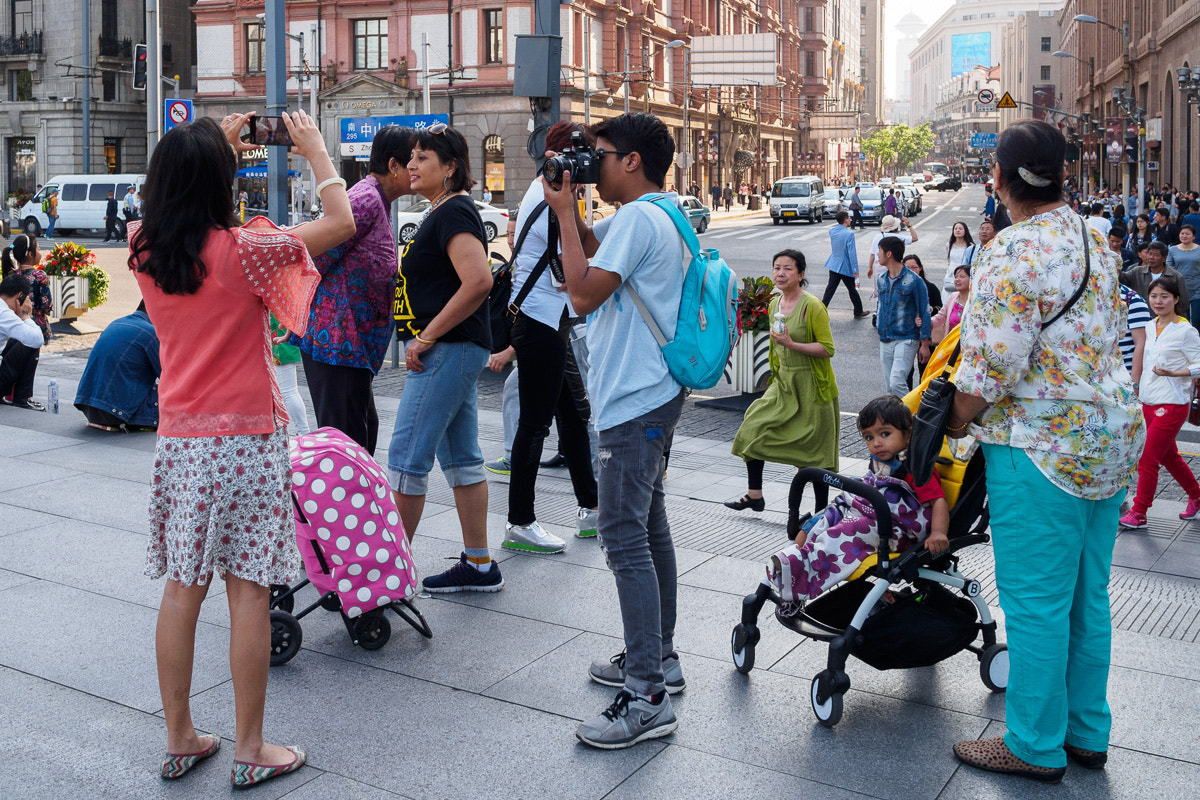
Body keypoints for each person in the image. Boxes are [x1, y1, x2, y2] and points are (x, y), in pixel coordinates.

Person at [129, 109, 355, 787]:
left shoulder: (143, 245)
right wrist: (317, 153)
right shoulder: (246, 250)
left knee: (181, 589)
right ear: (221, 183)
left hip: (180, 440)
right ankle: (253, 747)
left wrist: (207, 146)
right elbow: (341, 225)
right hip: (247, 439)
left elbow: (181, 187)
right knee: (249, 592)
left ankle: (179, 738)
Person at [947, 119, 1143, 783]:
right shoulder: (1096, 240)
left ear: (998, 178)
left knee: (1034, 603)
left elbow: (987, 372)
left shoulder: (1009, 251)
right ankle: (1087, 732)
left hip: (1040, 445)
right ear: (1063, 172)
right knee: (1088, 598)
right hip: (1110, 439)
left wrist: (948, 423)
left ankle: (1032, 744)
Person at [543, 112, 687, 749]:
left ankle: (648, 696)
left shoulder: (637, 218)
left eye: (598, 155)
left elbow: (579, 293)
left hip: (633, 399)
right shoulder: (668, 213)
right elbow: (593, 259)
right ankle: (659, 658)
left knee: (622, 536)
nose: (590, 165)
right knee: (649, 526)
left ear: (632, 160)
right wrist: (568, 207)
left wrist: (568, 212)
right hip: (656, 392)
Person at [388, 123, 495, 589]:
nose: (412, 165)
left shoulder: (453, 213)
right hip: (458, 350)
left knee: (408, 457)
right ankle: (478, 564)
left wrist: (426, 337)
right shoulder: (445, 210)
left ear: (450, 167)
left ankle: (383, 576)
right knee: (462, 460)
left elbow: (479, 281)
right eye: (411, 157)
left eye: (423, 158)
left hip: (448, 350)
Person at [503, 120, 599, 553]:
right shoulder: (549, 195)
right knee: (535, 424)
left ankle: (592, 509)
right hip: (540, 321)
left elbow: (585, 243)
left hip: (551, 319)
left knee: (574, 418)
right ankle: (520, 521)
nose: (586, 167)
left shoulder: (560, 193)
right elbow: (578, 261)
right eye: (581, 158)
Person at [766, 396, 949, 616]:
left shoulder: (915, 467)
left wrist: (938, 532)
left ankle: (803, 574)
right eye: (869, 437)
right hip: (873, 511)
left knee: (849, 529)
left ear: (908, 435)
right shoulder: (881, 459)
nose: (876, 443)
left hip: (895, 529)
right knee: (825, 516)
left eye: (885, 434)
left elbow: (938, 500)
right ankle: (798, 557)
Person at [294, 125, 415, 455]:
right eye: (413, 160)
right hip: (334, 343)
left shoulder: (377, 200)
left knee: (360, 435)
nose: (417, 168)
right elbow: (311, 257)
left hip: (350, 347)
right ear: (394, 166)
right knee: (345, 448)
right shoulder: (364, 201)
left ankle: (351, 505)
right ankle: (341, 506)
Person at [725, 249, 839, 512]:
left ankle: (821, 512)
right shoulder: (774, 303)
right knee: (752, 428)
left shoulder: (812, 306)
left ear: (801, 274)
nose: (780, 273)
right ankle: (755, 494)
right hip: (783, 384)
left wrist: (792, 343)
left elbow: (827, 348)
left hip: (813, 386)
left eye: (788, 268)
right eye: (777, 267)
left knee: (816, 454)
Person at [1119, 276, 1200, 529]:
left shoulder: (1186, 330)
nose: (1158, 301)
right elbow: (1142, 358)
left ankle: (1140, 512)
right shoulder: (1150, 326)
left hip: (1173, 403)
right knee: (1169, 457)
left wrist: (1177, 373)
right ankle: (1197, 496)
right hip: (1148, 399)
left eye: (1165, 296)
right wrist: (1135, 386)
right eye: (1154, 296)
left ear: (1176, 299)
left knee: (1147, 459)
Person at [73, 301, 160, 431]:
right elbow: (172, 377)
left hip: (89, 407)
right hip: (114, 412)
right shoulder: (150, 332)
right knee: (181, 400)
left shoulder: (116, 323)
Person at [875, 236, 930, 398]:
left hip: (906, 338)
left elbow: (924, 311)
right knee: (890, 388)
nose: (877, 254)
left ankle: (913, 416)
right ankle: (899, 420)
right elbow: (881, 306)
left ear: (889, 254)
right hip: (885, 338)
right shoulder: (881, 279)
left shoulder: (914, 281)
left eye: (879, 250)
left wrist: (925, 343)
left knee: (897, 382)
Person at [0, 272, 45, 410]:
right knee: (31, 342)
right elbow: (37, 340)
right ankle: (21, 398)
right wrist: (26, 317)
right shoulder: (4, 313)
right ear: (20, 296)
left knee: (17, 339)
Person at [1, 233, 51, 343]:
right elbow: (46, 304)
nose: (40, 252)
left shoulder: (11, 275)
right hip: (36, 324)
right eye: (38, 249)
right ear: (30, 254)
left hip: (14, 325)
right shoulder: (40, 275)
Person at [821, 210, 868, 318]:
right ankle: (858, 311)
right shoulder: (849, 234)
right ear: (846, 220)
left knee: (830, 290)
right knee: (852, 290)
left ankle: (821, 310)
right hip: (844, 266)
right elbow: (852, 254)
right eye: (849, 218)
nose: (851, 220)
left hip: (833, 264)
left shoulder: (832, 231)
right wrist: (855, 269)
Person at [1121, 242, 1188, 317]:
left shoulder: (1176, 277)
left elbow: (1183, 302)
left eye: (1156, 255)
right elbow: (1122, 279)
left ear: (1164, 258)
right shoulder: (1137, 272)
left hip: (1167, 320)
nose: (1151, 257)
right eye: (1149, 254)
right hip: (1142, 317)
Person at [270, 314, 309, 436]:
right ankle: (303, 433)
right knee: (288, 391)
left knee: (288, 391)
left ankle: (303, 433)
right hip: (278, 331)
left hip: (278, 335)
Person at [1167, 225, 1200, 329]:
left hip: (1197, 287)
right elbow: (1169, 267)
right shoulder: (1172, 250)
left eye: (1187, 234)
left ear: (1193, 236)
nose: (1184, 236)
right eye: (1182, 233)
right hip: (1179, 287)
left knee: (1196, 318)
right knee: (1182, 317)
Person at [866, 214, 918, 279]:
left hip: (879, 266)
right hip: (893, 266)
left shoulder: (877, 237)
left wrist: (870, 267)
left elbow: (872, 254)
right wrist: (909, 226)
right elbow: (914, 238)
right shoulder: (897, 237)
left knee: (880, 287)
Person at [931, 265, 970, 344]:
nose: (957, 280)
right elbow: (940, 317)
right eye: (956, 277)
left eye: (962, 277)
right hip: (951, 345)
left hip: (968, 346)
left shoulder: (976, 301)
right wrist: (925, 323)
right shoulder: (953, 297)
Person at [943, 221, 977, 292]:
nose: (958, 230)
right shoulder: (949, 245)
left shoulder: (971, 246)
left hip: (964, 275)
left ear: (965, 231)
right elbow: (949, 261)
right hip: (950, 274)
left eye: (960, 229)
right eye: (955, 229)